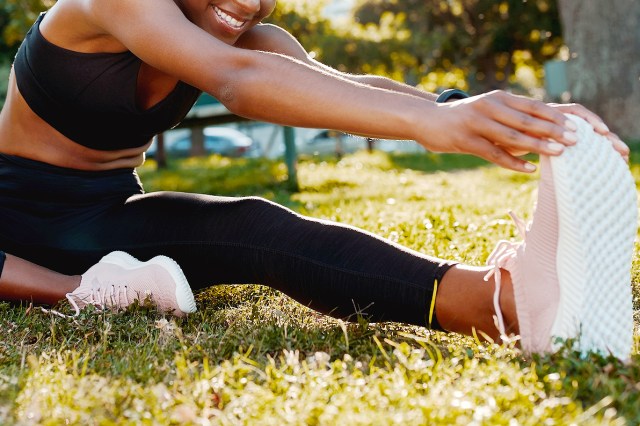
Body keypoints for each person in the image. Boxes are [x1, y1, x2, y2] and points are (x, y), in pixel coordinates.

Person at [0, 0, 635, 360]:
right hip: (21, 224)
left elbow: (341, 90)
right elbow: (236, 81)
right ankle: (507, 307)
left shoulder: (250, 35)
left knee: (255, 227)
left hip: (111, 212)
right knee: (253, 228)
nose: (249, 1)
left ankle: (510, 298)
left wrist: (468, 109)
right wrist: (73, 291)